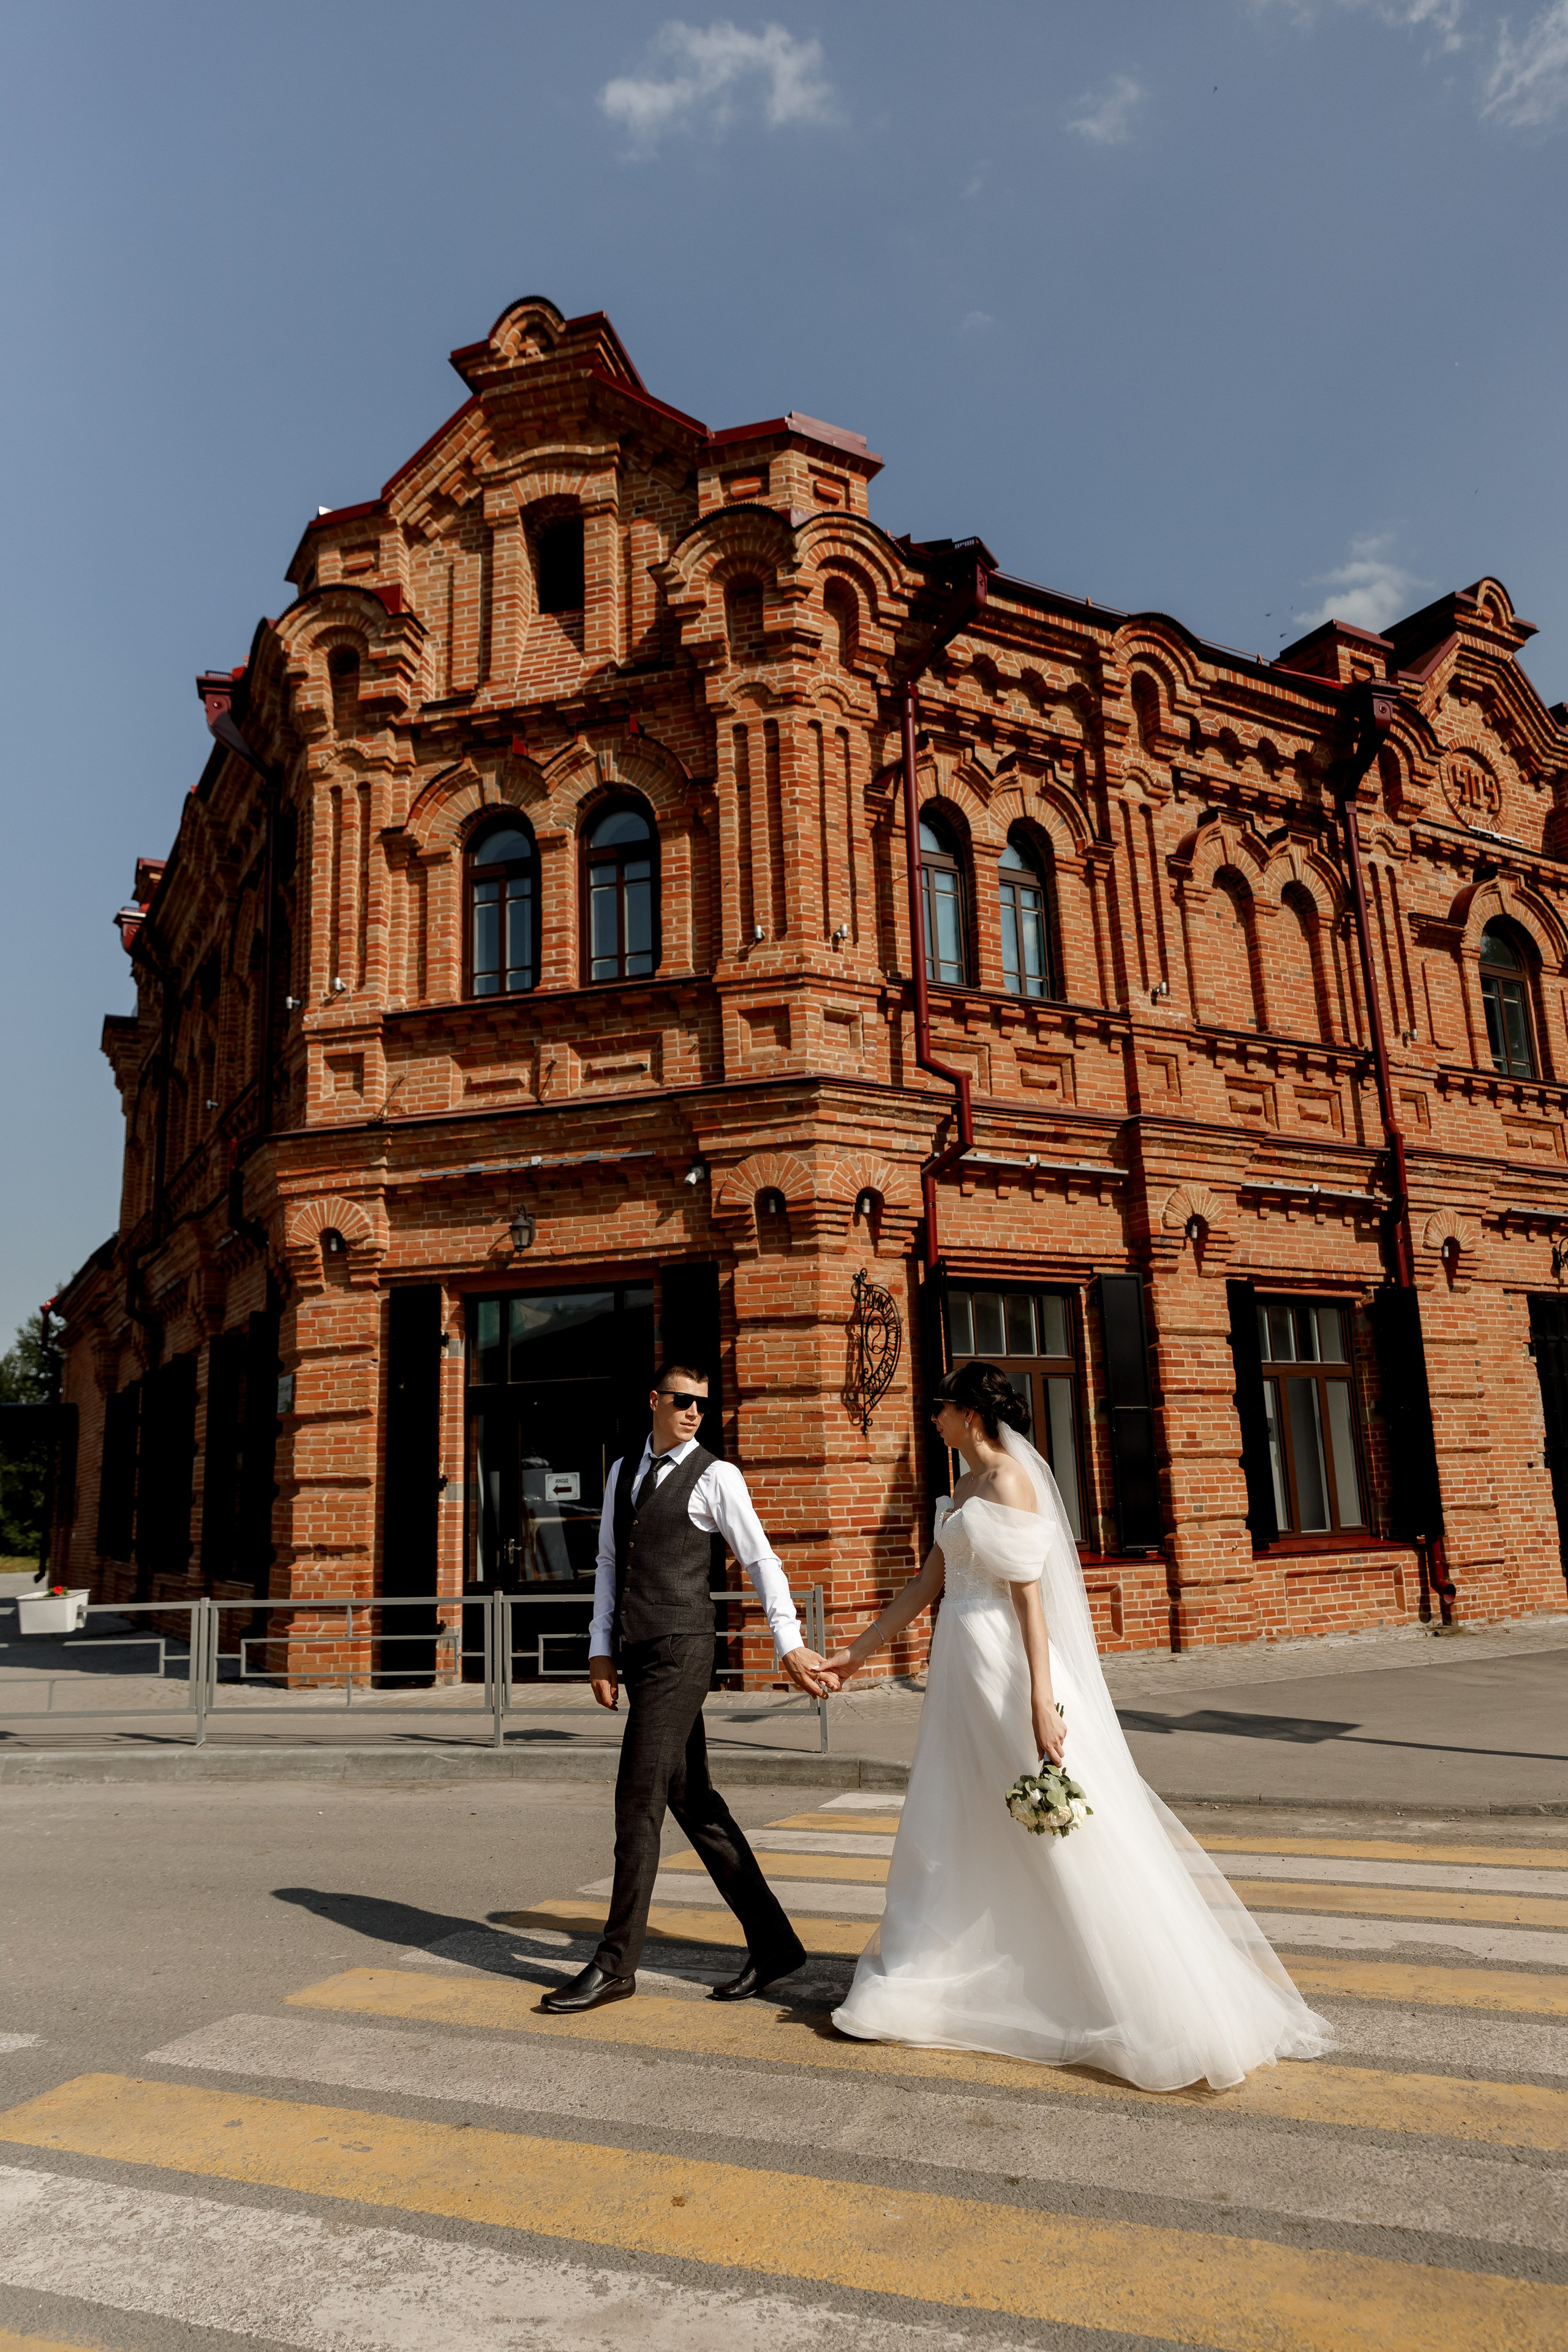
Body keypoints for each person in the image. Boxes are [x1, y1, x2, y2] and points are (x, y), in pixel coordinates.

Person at [824, 1360, 1333, 2091]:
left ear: (969, 1413)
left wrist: (1039, 1699)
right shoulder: (962, 1487)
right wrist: (853, 1656)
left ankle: (1126, 1989)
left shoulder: (1006, 1482)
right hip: (959, 1678)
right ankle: (928, 1978)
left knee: (1057, 1830)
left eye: (939, 1408)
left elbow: (1028, 1600)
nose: (931, 1419)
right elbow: (925, 1585)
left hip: (1005, 1671)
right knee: (956, 1818)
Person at [541, 1361, 833, 2015]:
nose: (694, 1411)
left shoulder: (717, 1476)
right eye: (681, 1400)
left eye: (702, 1403)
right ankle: (774, 1942)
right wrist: (599, 1650)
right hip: (639, 1653)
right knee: (691, 1800)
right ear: (654, 1400)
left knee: (636, 1799)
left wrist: (786, 1643)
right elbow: (611, 1563)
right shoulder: (623, 1472)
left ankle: (616, 1965)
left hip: (683, 1651)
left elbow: (760, 1558)